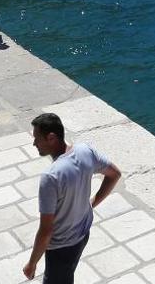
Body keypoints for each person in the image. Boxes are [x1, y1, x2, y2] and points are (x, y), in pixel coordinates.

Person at [22, 112, 120, 283]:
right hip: (83, 234)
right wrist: (92, 203)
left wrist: (32, 263)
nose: (34, 143)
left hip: (61, 247)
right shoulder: (85, 151)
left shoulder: (51, 177)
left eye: (37, 138)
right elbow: (115, 174)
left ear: (51, 137)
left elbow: (46, 231)